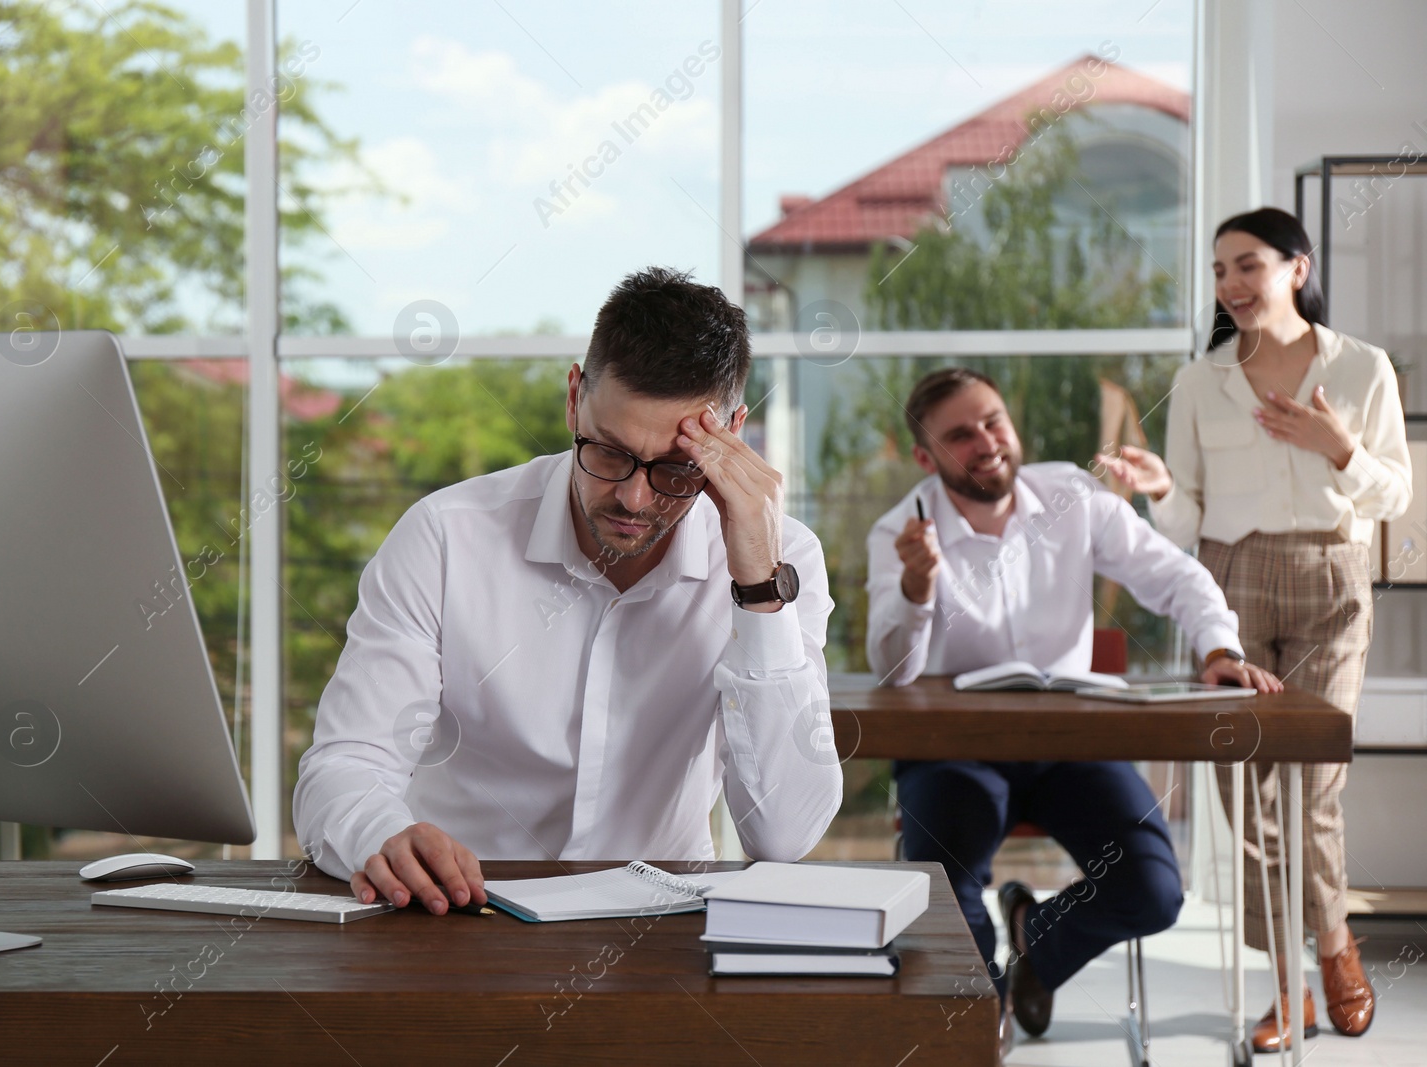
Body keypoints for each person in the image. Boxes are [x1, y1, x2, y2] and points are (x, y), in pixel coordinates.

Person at [293, 267, 841, 916]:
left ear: (734, 433)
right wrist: (382, 836)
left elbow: (783, 834)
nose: (635, 498)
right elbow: (345, 765)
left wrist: (757, 587)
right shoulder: (444, 538)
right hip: (459, 919)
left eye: (675, 468)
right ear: (574, 396)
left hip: (658, 933)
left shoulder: (781, 559)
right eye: (608, 453)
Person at [866, 367, 1280, 1049]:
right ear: (925, 457)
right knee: (944, 888)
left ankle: (1039, 937)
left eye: (993, 420)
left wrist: (1217, 646)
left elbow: (1173, 574)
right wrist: (916, 588)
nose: (986, 442)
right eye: (960, 435)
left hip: (1071, 742)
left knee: (1152, 887)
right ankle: (978, 1019)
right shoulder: (899, 533)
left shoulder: (1073, 496)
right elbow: (893, 668)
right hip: (952, 748)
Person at [1103, 206, 1410, 1053]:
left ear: (1296, 268)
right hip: (1232, 584)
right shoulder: (1201, 381)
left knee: (1313, 788)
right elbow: (1189, 520)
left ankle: (1337, 944)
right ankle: (1285, 982)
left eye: (1248, 266)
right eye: (1219, 271)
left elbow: (1396, 497)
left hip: (1331, 581)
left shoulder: (1362, 368)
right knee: (1247, 795)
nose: (1231, 285)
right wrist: (1161, 487)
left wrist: (1337, 445)